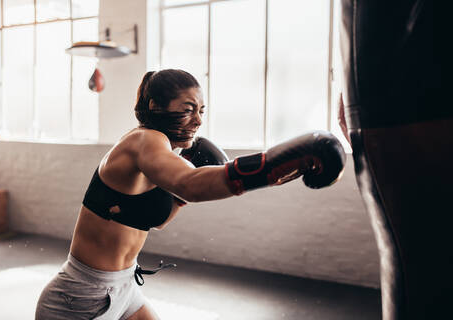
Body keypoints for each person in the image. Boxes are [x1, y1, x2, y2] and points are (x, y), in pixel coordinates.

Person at [35, 69, 346, 320]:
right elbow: (190, 185)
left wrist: (275, 176)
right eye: (188, 110)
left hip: (123, 288)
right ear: (156, 106)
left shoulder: (161, 155)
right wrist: (269, 167)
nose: (198, 120)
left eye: (201, 110)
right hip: (79, 298)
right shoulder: (144, 140)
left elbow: (157, 220)